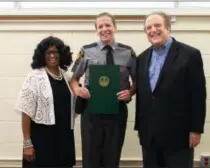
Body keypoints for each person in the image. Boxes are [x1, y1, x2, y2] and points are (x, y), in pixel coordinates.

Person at [134, 11, 207, 168]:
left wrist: (196, 129)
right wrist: (140, 127)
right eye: (149, 27)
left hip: (178, 136)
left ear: (168, 28)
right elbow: (143, 95)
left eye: (157, 25)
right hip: (149, 136)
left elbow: (198, 95)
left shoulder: (190, 54)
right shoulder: (141, 58)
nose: (153, 30)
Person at [70, 12, 136, 168]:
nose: (104, 29)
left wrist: (130, 92)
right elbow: (73, 80)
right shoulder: (86, 51)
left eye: (108, 25)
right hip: (91, 110)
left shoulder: (128, 52)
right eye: (100, 26)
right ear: (96, 30)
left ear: (115, 28)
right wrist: (78, 90)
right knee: (90, 155)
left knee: (112, 156)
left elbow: (137, 82)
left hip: (117, 110)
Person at [14, 36, 76, 168]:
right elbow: (26, 112)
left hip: (64, 137)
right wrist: (27, 143)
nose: (52, 55)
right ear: (42, 55)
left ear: (62, 55)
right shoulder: (34, 77)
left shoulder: (67, 77)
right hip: (42, 139)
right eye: (48, 52)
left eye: (56, 52)